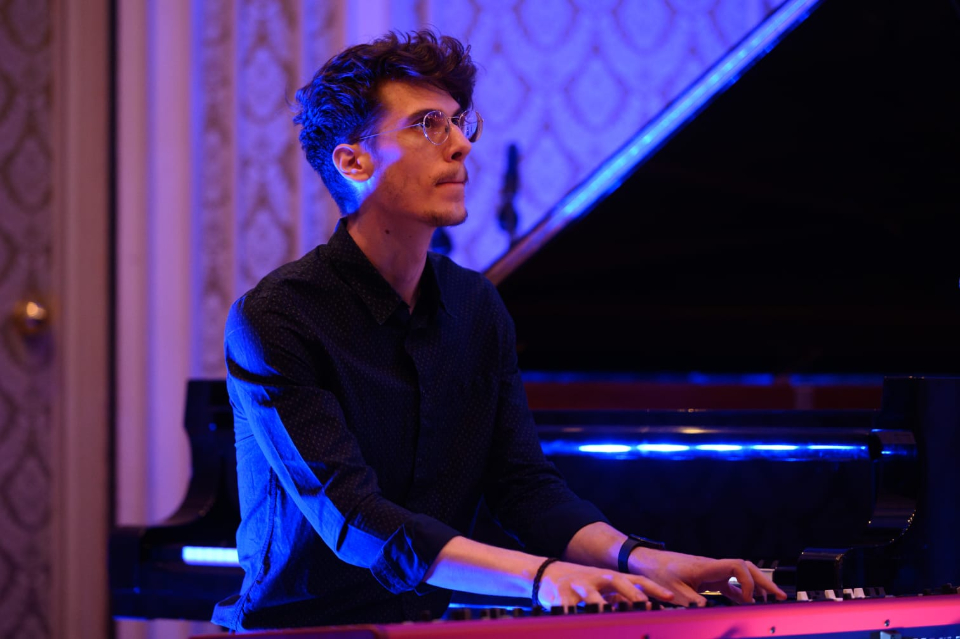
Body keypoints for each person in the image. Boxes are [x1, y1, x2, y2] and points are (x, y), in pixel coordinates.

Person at [212, 30, 785, 632]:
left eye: (458, 123)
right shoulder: (276, 318)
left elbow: (525, 488)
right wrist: (543, 577)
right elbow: (357, 520)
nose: (461, 144)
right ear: (353, 161)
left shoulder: (475, 305)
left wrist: (645, 560)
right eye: (428, 125)